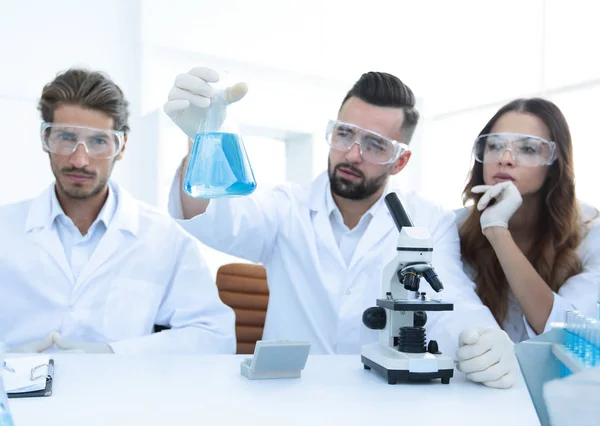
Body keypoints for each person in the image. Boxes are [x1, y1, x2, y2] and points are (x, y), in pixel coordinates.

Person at [165, 67, 517, 388]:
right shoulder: (287, 207)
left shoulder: (427, 220)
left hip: (382, 401)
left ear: (401, 160)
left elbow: (452, 297)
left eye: (375, 144)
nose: (352, 154)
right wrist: (200, 141)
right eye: (345, 134)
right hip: (289, 398)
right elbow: (210, 216)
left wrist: (482, 337)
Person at [0, 68, 235, 355]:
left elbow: (214, 335)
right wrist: (8, 357)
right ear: (46, 138)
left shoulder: (163, 237)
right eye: (66, 137)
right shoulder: (5, 229)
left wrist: (115, 354)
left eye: (99, 141)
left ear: (121, 145)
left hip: (122, 393)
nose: (80, 159)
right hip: (15, 397)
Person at [456, 98, 600, 343]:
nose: (505, 158)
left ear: (555, 164)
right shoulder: (453, 227)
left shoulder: (590, 231)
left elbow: (562, 330)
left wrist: (497, 231)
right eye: (494, 145)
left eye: (528, 149)